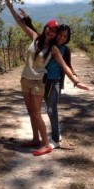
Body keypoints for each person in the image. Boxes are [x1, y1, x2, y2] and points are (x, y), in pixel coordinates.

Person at [5, 0, 90, 156]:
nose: (52, 33)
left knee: (38, 112)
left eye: (54, 31)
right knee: (30, 111)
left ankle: (47, 143)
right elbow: (20, 23)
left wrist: (76, 82)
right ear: (45, 28)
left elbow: (65, 66)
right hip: (25, 80)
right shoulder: (35, 38)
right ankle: (35, 139)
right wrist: (9, 5)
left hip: (39, 82)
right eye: (50, 29)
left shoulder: (54, 49)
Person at [19, 11, 76, 149]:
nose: (62, 38)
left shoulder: (62, 50)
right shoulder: (46, 43)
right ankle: (37, 138)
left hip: (54, 81)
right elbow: (36, 32)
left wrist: (75, 79)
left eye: (65, 36)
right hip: (43, 81)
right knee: (36, 111)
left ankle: (55, 138)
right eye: (60, 35)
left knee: (51, 109)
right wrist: (27, 18)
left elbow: (67, 65)